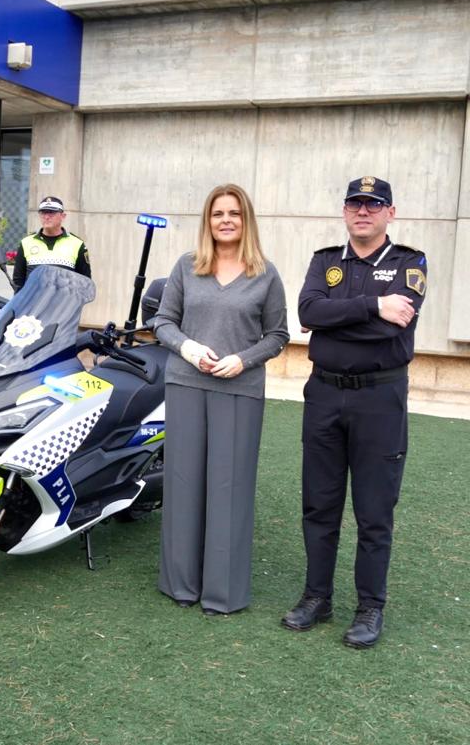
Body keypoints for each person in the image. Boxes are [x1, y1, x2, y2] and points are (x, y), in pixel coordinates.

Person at [282, 176, 426, 649]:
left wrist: (336, 319)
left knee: (374, 510)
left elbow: (388, 332)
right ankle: (316, 597)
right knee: (319, 505)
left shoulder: (409, 261)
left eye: (373, 204)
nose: (363, 211)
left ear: (390, 212)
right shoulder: (326, 261)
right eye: (355, 204)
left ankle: (370, 607)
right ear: (345, 211)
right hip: (323, 394)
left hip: (379, 400)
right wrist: (372, 305)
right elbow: (306, 312)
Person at [151, 183, 289, 615]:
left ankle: (222, 593)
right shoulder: (186, 267)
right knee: (184, 483)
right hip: (186, 384)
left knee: (229, 489)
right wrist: (187, 348)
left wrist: (243, 361)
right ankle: (181, 584)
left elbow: (278, 336)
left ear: (246, 220)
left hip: (239, 391)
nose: (225, 220)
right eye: (217, 214)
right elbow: (163, 322)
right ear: (207, 221)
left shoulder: (265, 274)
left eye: (234, 213)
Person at [12, 195, 91, 290]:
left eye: (51, 213)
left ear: (63, 216)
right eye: (43, 213)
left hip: (63, 304)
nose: (46, 217)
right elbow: (18, 281)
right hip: (33, 304)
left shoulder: (77, 244)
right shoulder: (26, 243)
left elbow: (85, 281)